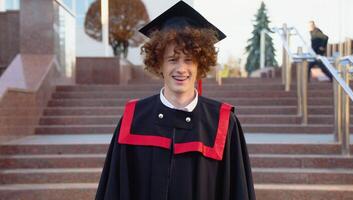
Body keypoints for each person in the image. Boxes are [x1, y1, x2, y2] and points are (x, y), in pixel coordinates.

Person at [95, 1, 255, 200]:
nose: (181, 69)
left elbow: (237, 191)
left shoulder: (222, 124)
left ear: (200, 64)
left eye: (188, 60)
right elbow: (114, 189)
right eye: (172, 59)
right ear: (159, 63)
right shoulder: (134, 120)